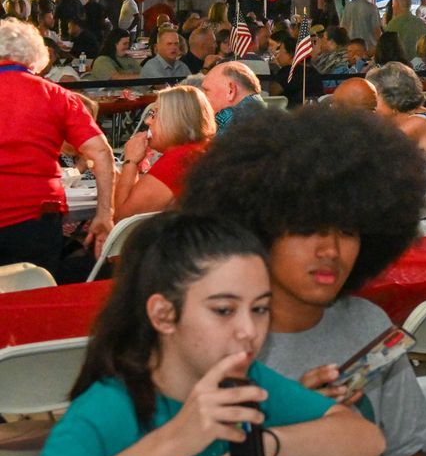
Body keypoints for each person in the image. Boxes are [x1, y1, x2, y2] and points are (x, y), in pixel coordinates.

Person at [179, 108, 426, 456]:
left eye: (347, 231)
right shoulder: (208, 348)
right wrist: (284, 424)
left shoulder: (368, 325)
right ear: (258, 231)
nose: (330, 250)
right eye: (306, 229)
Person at [33, 212, 385, 456]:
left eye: (260, 309)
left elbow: (364, 439)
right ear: (164, 314)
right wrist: (174, 440)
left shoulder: (246, 381)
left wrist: (269, 443)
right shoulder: (107, 409)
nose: (249, 331)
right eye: (224, 310)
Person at [1, 19, 115, 269]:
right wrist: (105, 213)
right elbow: (102, 152)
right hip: (37, 216)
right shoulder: (58, 96)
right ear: (37, 58)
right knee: (33, 291)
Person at [114, 85, 216, 219]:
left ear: (174, 119)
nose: (147, 121)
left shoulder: (179, 159)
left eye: (155, 114)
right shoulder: (205, 149)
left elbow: (122, 219)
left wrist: (130, 161)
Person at [201, 61, 265, 133]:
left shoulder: (229, 126)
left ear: (231, 91)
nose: (202, 97)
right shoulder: (269, 119)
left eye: (207, 91)